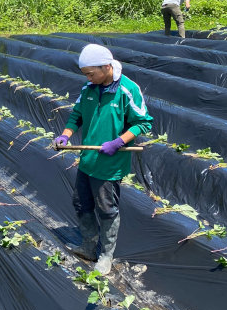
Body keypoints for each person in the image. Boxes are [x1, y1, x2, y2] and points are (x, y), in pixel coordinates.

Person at [52, 44, 152, 276]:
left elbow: (144, 122)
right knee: (81, 203)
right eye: (85, 74)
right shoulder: (89, 88)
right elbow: (76, 115)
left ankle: (106, 254)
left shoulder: (127, 89)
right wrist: (65, 135)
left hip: (109, 164)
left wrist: (119, 141)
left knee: (106, 209)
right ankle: (88, 247)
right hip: (88, 160)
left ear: (106, 66)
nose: (88, 78)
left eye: (91, 73)